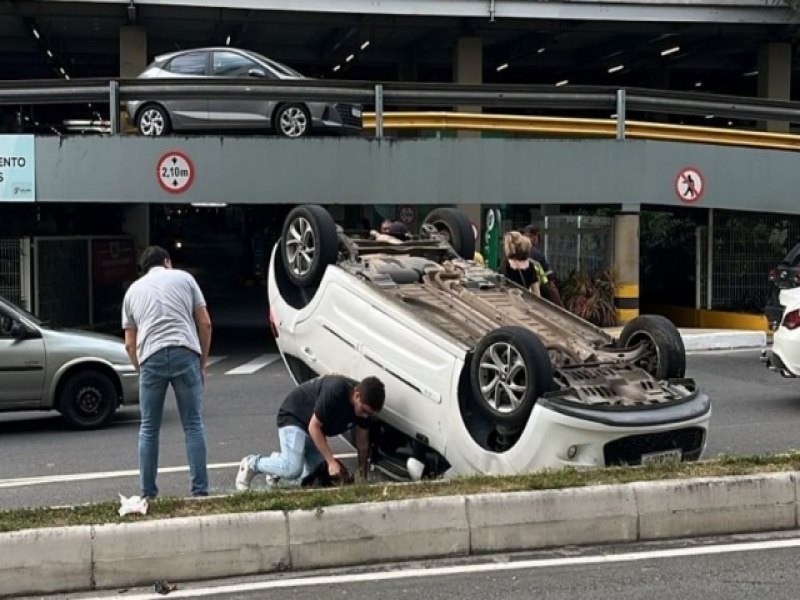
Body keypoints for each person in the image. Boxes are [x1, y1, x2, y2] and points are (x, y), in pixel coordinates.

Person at [122, 245, 213, 499]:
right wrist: (202, 363)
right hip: (185, 352)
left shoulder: (132, 292)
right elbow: (204, 323)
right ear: (166, 261)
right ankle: (200, 490)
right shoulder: (185, 279)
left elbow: (130, 343)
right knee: (193, 425)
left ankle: (148, 493)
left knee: (149, 428)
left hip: (150, 356)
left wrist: (143, 370)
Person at [235, 374, 385, 490]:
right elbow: (314, 427)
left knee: (314, 475)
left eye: (369, 414)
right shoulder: (337, 390)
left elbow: (363, 443)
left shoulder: (363, 409)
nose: (365, 416)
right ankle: (251, 463)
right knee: (293, 469)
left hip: (312, 430)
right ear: (357, 395)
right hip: (294, 417)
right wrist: (331, 462)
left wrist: (363, 477)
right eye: (364, 410)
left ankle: (278, 463)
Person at [522, 224, 564, 306]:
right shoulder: (537, 256)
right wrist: (560, 306)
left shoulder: (513, 254)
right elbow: (550, 285)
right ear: (535, 237)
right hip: (533, 298)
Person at [499, 231, 547, 296]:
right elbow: (536, 293)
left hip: (510, 302)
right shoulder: (530, 265)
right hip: (525, 301)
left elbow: (501, 288)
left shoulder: (506, 264)